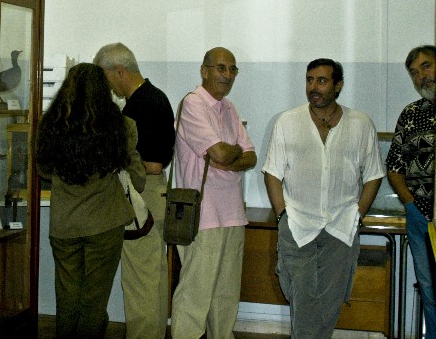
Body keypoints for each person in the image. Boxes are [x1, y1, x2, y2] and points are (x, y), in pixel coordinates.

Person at [263, 58, 385, 338]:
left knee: (329, 304)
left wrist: (358, 214)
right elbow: (272, 172)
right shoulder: (288, 121)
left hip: (341, 228)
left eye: (321, 80)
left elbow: (374, 174)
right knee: (300, 297)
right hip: (297, 226)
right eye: (309, 80)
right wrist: (282, 215)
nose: (313, 87)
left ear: (338, 85)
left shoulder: (361, 123)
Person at [35, 62, 146, 339]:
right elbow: (138, 180)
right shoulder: (122, 126)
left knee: (67, 295)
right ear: (104, 90)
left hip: (64, 224)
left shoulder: (49, 125)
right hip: (105, 224)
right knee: (95, 298)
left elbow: (43, 171)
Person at [170, 47, 256, 338]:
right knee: (195, 295)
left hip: (232, 214)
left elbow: (251, 157)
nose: (227, 75)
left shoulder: (229, 107)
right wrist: (231, 154)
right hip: (202, 215)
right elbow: (220, 153)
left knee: (226, 297)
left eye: (232, 69)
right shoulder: (193, 104)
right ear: (204, 70)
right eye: (221, 68)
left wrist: (228, 156)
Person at [93, 43, 176, 339]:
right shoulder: (157, 98)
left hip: (143, 195)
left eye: (105, 77)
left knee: (140, 279)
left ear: (119, 71)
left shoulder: (141, 105)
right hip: (156, 195)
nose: (107, 86)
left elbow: (152, 164)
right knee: (152, 276)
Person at [386, 45, 436, 338]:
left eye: (426, 67)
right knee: (430, 290)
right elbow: (394, 167)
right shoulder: (411, 114)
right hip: (422, 220)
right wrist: (410, 204)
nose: (421, 77)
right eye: (414, 73)